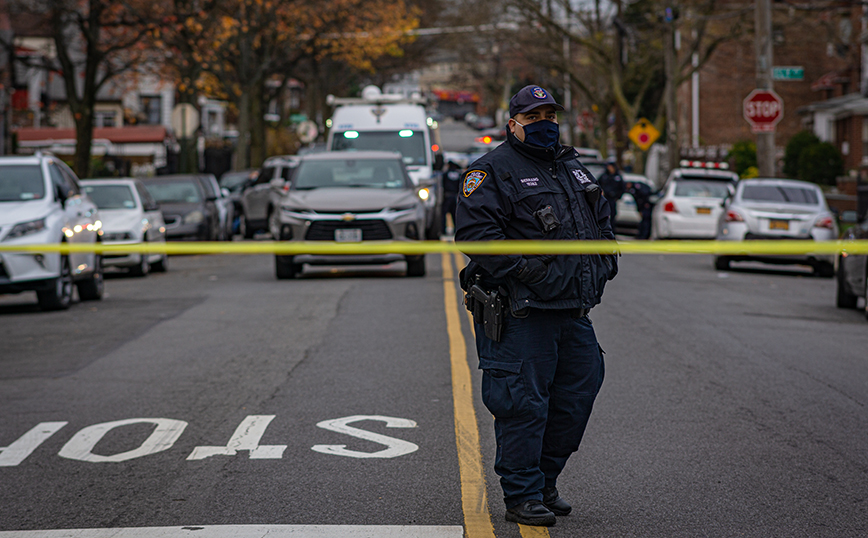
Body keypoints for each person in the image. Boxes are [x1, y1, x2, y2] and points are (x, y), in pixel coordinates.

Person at [455, 85, 618, 527]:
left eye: (550, 114)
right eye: (534, 117)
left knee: (577, 394)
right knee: (522, 403)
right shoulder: (491, 171)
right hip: (521, 312)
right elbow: (475, 238)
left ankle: (545, 481)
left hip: (572, 309)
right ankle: (522, 494)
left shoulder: (571, 167)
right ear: (513, 124)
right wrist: (531, 273)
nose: (545, 123)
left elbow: (601, 221)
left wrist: (605, 261)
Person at [598, 162, 625, 227]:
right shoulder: (604, 176)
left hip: (612, 198)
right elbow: (597, 185)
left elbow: (622, 188)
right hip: (604, 198)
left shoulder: (618, 177)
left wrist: (618, 197)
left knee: (612, 214)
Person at [442, 161, 462, 235]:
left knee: (443, 214)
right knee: (455, 214)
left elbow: (443, 184)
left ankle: (443, 230)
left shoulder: (445, 174)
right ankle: (456, 230)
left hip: (447, 196)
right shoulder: (458, 174)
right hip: (455, 196)